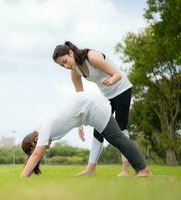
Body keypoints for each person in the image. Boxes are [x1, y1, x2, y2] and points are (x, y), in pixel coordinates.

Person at [20, 90, 152, 178]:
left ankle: (143, 170)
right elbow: (65, 114)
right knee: (116, 138)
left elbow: (36, 155)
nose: (45, 148)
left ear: (36, 139)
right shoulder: (43, 126)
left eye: (39, 146)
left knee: (117, 138)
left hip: (92, 108)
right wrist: (80, 124)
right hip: (89, 108)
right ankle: (141, 170)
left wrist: (22, 179)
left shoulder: (43, 130)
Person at [52, 41, 133, 176]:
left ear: (71, 53)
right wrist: (79, 124)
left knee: (121, 127)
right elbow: (81, 100)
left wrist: (111, 81)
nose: (66, 66)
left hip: (122, 88)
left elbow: (117, 74)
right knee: (98, 130)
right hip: (106, 96)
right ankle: (90, 169)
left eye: (65, 61)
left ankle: (125, 170)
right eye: (62, 65)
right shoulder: (75, 72)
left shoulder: (92, 57)